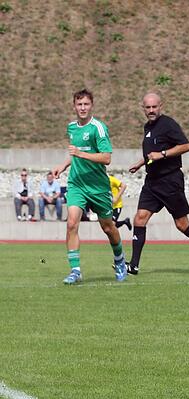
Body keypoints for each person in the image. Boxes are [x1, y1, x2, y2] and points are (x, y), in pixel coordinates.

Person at [126, 92, 189, 275]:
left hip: (170, 181)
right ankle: (133, 266)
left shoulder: (168, 124)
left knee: (182, 224)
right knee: (140, 218)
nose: (151, 110)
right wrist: (141, 162)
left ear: (161, 106)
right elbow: (152, 152)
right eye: (148, 107)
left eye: (154, 107)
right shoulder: (148, 127)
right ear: (142, 108)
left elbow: (186, 146)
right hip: (152, 182)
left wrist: (163, 154)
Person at [53, 88, 127, 284]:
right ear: (74, 106)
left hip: (98, 187)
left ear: (91, 105)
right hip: (77, 184)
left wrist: (80, 154)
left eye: (86, 104)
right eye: (79, 104)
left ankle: (120, 260)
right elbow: (75, 153)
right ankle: (75, 271)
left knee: (108, 227)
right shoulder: (72, 127)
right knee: (71, 224)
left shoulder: (98, 128)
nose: (83, 108)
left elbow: (106, 158)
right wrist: (63, 165)